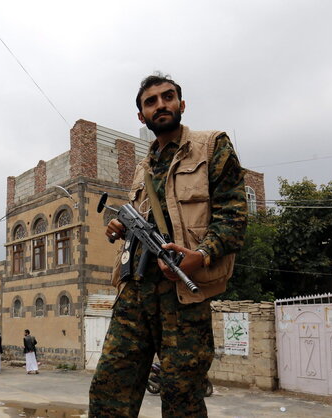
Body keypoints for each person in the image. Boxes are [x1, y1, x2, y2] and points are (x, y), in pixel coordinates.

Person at [89, 73, 247, 418]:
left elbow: (234, 217)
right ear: (141, 116)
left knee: (182, 398)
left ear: (181, 104)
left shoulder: (211, 146)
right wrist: (122, 228)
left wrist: (202, 255)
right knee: (108, 391)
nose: (160, 104)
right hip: (135, 294)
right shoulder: (142, 168)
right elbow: (148, 221)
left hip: (183, 295)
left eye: (168, 96)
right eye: (151, 101)